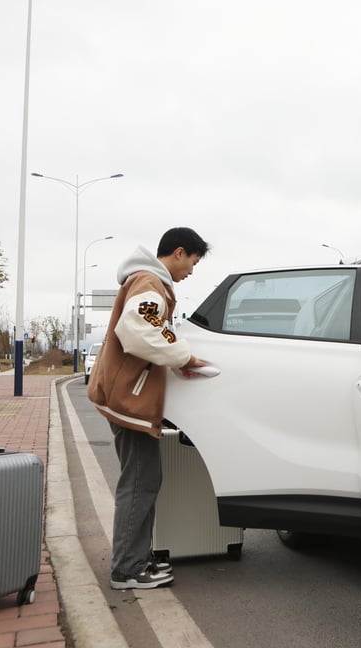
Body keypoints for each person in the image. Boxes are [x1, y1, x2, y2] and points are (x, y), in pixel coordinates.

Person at [87, 227, 210, 590]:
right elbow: (138, 330)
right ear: (179, 252)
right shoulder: (149, 283)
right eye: (193, 262)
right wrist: (183, 355)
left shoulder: (149, 283)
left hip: (131, 397)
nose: (191, 271)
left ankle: (137, 559)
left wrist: (179, 358)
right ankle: (126, 569)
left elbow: (155, 330)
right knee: (140, 482)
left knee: (144, 479)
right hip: (129, 399)